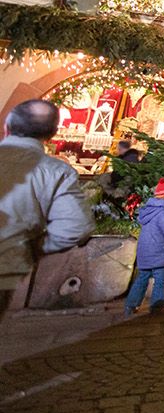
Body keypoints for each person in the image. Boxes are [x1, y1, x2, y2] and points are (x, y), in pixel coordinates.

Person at [0, 99, 94, 317]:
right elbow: (76, 226)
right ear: (52, 135)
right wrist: (31, 248)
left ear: (7, 126)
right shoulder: (56, 171)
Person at [124, 177, 164, 317]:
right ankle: (158, 306)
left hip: (145, 251)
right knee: (161, 280)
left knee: (142, 279)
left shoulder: (149, 210)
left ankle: (130, 305)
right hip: (159, 252)